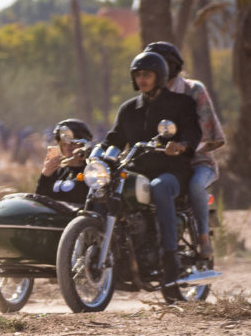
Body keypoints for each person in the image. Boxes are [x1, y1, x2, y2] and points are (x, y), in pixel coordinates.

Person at [105, 51, 202, 282]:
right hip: (138, 171)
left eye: (147, 74)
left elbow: (193, 131)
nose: (142, 79)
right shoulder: (128, 109)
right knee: (108, 186)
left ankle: (171, 258)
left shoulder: (181, 103)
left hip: (173, 171)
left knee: (159, 187)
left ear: (159, 76)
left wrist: (181, 145)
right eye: (137, 74)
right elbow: (114, 139)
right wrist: (100, 154)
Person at [144, 41, 226, 257]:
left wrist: (184, 147)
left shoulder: (194, 90)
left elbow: (207, 132)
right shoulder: (149, 95)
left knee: (196, 185)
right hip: (164, 164)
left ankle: (203, 237)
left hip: (199, 162)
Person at [36, 118, 92, 205]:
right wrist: (45, 175)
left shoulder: (92, 172)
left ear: (83, 144)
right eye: (64, 143)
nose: (68, 147)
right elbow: (39, 202)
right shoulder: (57, 171)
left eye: (73, 142)